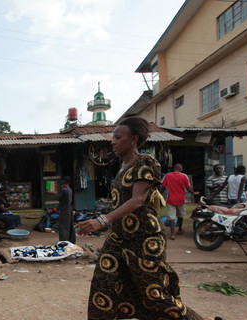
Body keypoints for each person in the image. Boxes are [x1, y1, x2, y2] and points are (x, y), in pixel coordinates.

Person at [75, 117, 207, 320]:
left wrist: (101, 221)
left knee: (154, 295)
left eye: (118, 137)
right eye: (113, 138)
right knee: (104, 286)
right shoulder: (121, 167)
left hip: (143, 237)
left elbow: (137, 200)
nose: (113, 142)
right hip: (119, 236)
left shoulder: (146, 162)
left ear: (134, 139)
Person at [161, 163, 198, 240]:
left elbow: (163, 187)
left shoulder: (168, 176)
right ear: (181, 169)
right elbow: (188, 188)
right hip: (181, 199)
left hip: (170, 199)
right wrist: (193, 193)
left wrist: (160, 194)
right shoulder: (184, 176)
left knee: (171, 217)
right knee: (180, 215)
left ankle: (172, 234)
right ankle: (180, 229)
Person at [56, 176, 75, 244]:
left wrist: (59, 190)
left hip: (64, 209)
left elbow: (58, 198)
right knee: (69, 226)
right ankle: (71, 241)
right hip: (69, 209)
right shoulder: (70, 189)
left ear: (64, 181)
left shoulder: (64, 190)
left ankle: (64, 242)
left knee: (63, 227)